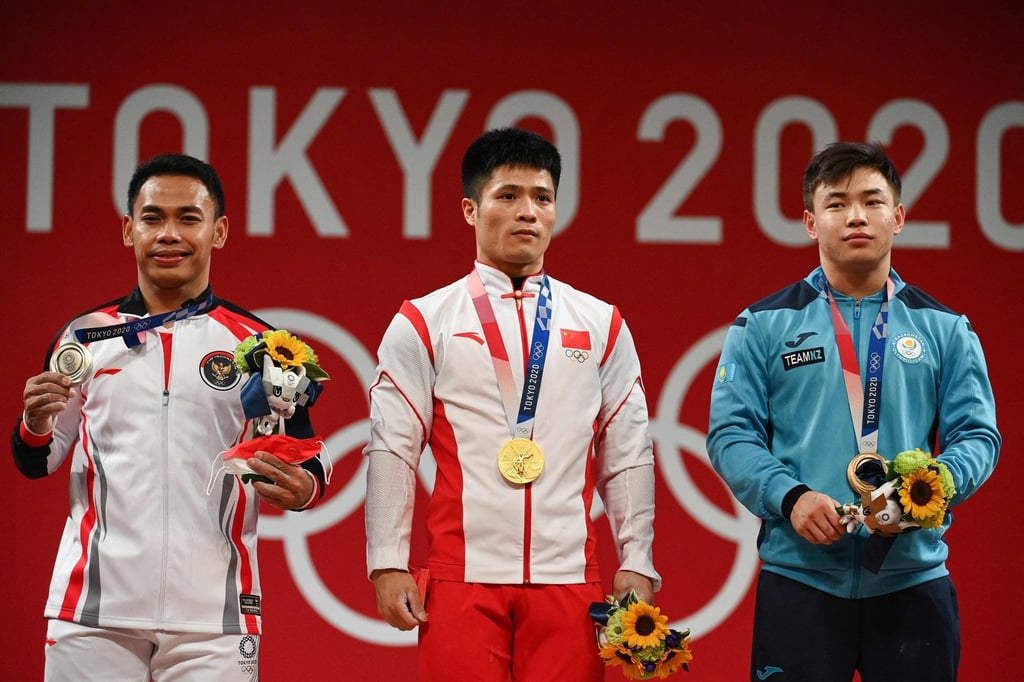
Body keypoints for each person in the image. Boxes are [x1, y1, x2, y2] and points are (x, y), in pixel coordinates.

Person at [12, 153, 327, 680]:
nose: (169, 234)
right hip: (93, 612)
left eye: (188, 218)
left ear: (218, 231)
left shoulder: (260, 344)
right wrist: (36, 422)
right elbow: (35, 460)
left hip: (216, 620)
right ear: (128, 229)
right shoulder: (84, 337)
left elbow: (311, 459)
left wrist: (304, 488)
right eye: (153, 218)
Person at [364, 127, 660, 681]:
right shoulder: (424, 322)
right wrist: (386, 560)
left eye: (542, 198)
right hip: (461, 581)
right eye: (509, 196)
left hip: (570, 582)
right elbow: (392, 451)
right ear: (471, 210)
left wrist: (637, 559)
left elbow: (628, 454)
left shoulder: (601, 323)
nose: (528, 212)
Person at [706, 142, 1000, 681]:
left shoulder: (944, 329)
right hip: (801, 581)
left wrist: (926, 493)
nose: (857, 216)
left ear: (900, 217)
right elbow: (731, 434)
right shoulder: (762, 326)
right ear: (810, 222)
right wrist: (790, 497)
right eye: (837, 203)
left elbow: (978, 436)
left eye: (872, 201)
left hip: (913, 580)